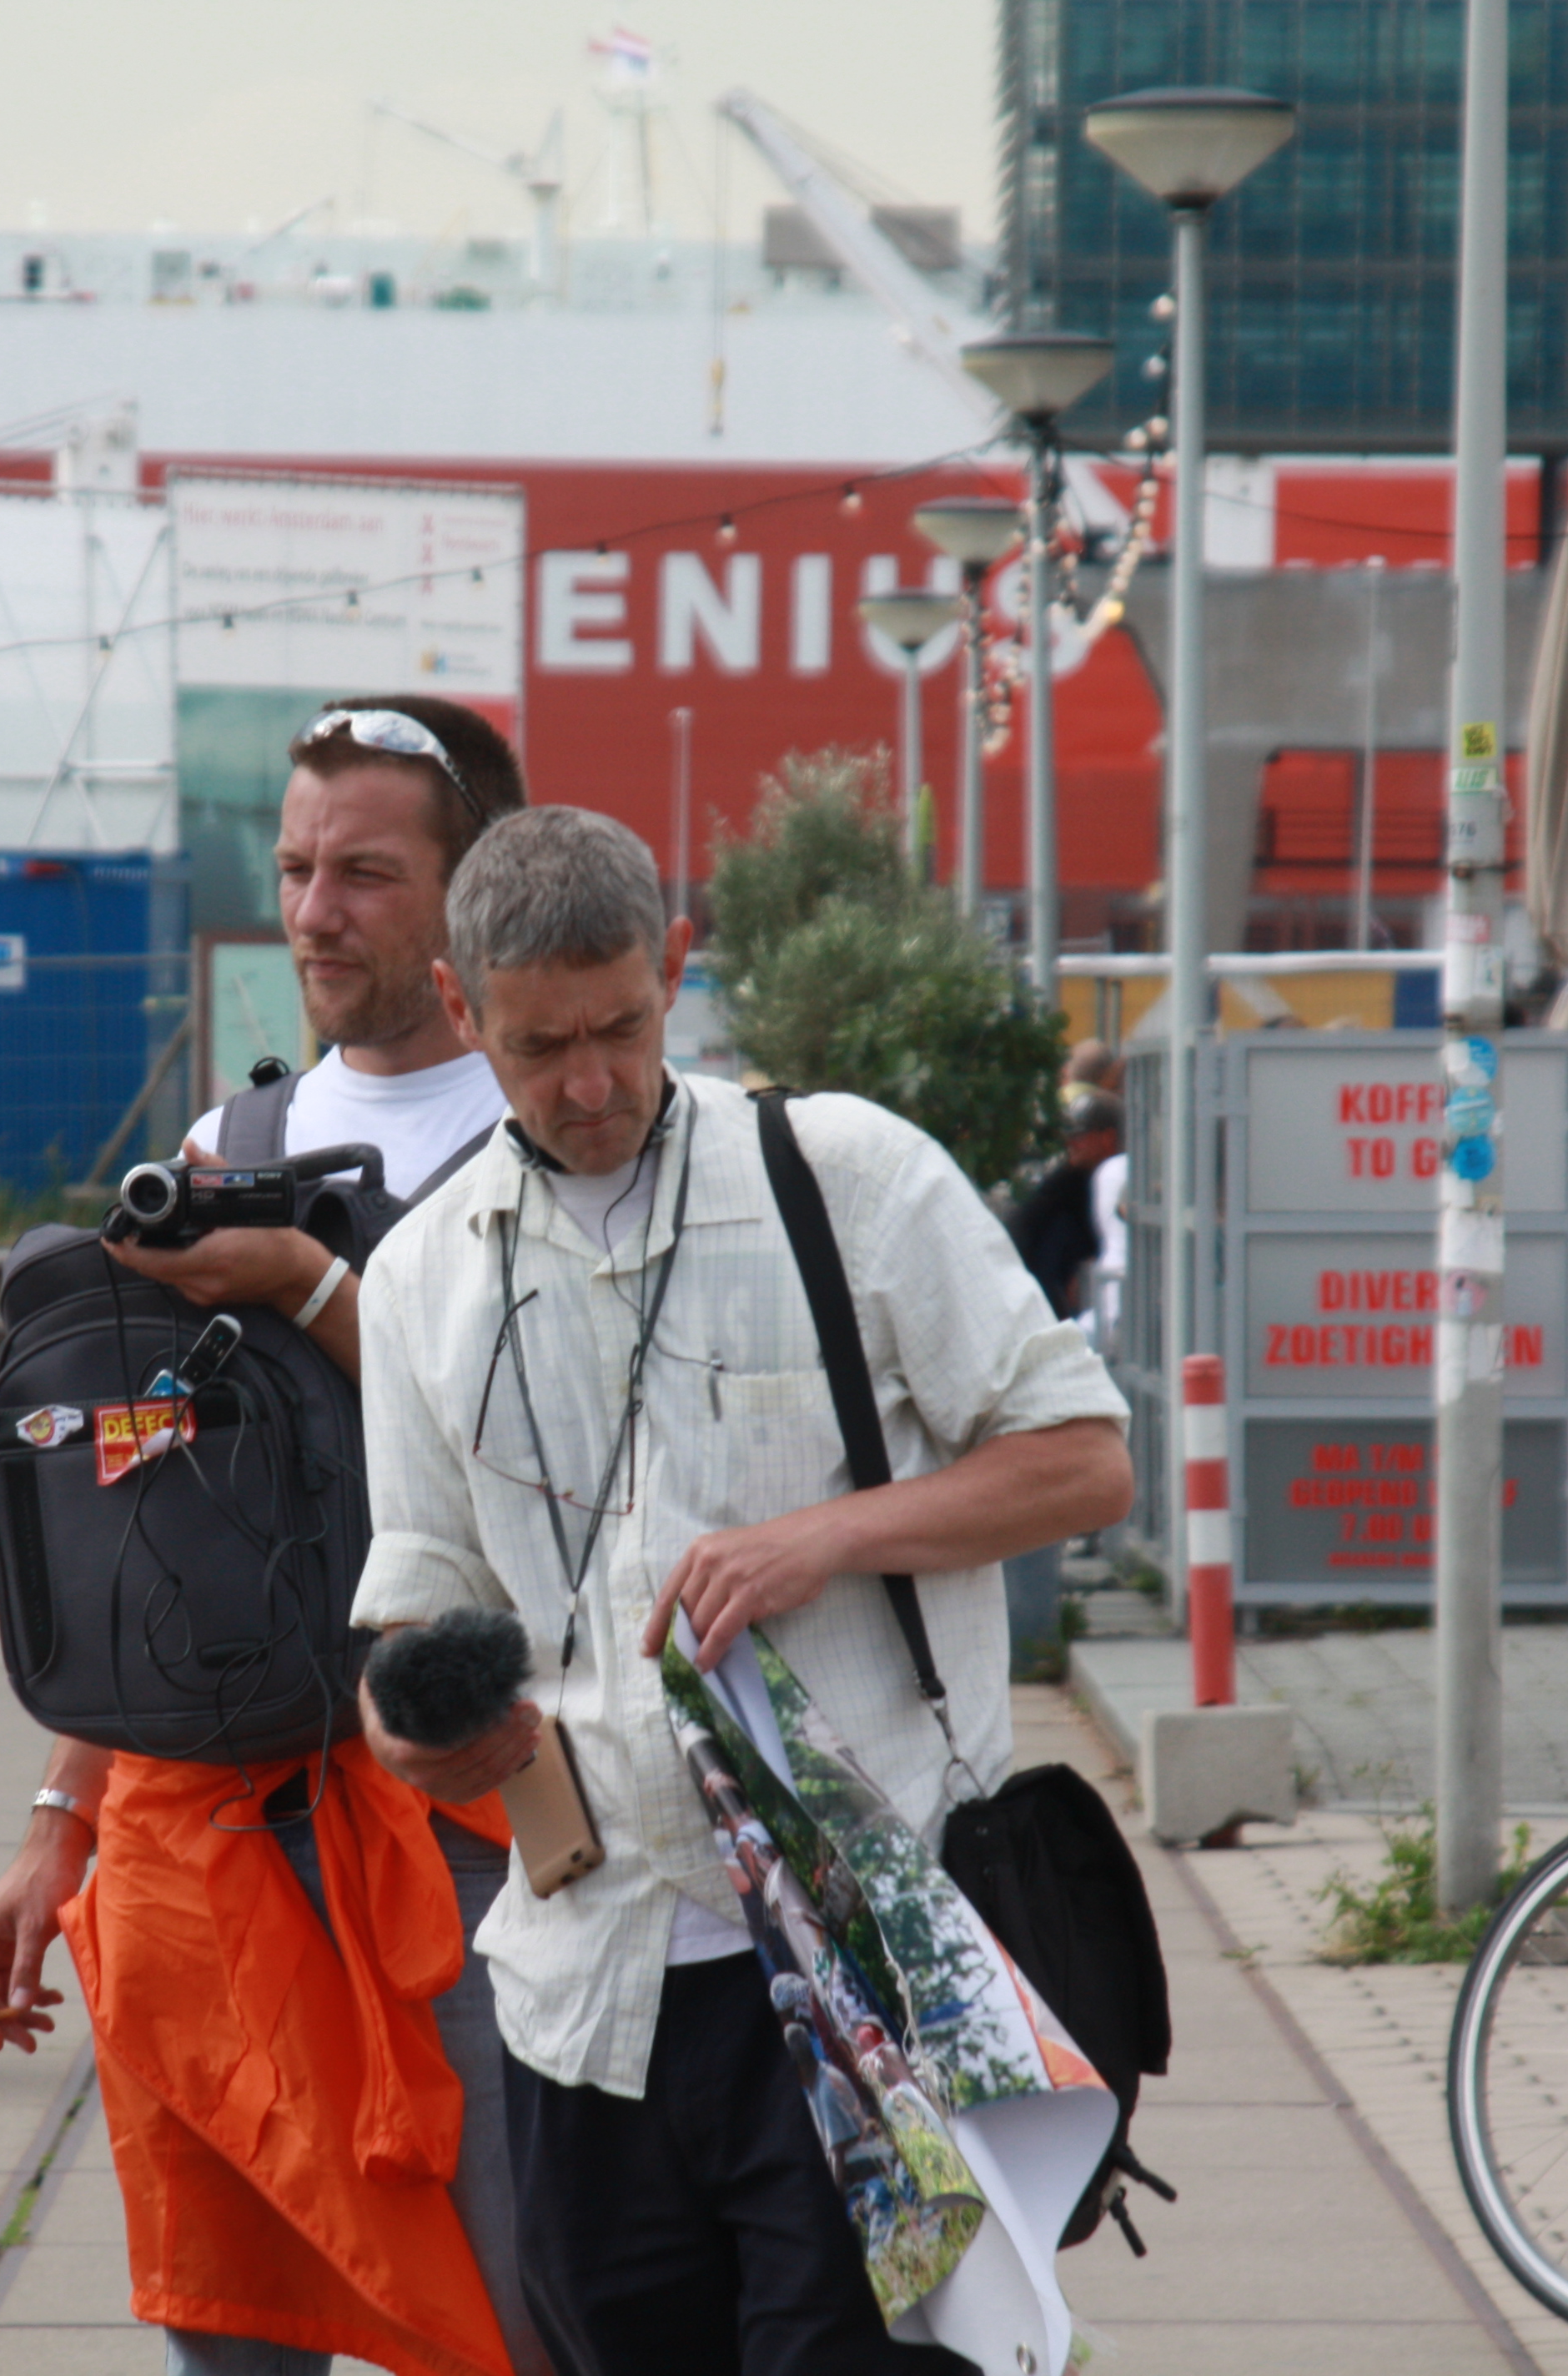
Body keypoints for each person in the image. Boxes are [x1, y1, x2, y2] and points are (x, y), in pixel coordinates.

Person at [348, 806, 1134, 2376]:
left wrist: (825, 1536)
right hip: (586, 2000)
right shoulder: (420, 1274)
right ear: (458, 1008)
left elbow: (1084, 1463)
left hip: (865, 1977)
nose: (589, 1083)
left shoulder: (847, 1175)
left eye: (622, 1028)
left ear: (678, 967)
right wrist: (410, 1730)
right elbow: (415, 1606)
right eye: (539, 1046)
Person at [0, 694, 551, 2376]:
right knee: (229, 2318)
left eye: (363, 872)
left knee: (512, 2300)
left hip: (466, 1815)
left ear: (471, 887)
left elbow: (539, 1461)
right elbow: (151, 1522)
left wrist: (307, 1283)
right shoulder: (234, 1146)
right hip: (216, 1825)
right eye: (294, 869)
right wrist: (58, 1818)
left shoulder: (552, 1125)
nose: (312, 912)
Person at [1007, 1094, 1120, 1328]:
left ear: (1107, 1138)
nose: (1070, 1143)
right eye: (1068, 1136)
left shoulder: (1125, 1180)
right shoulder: (1063, 1187)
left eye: (1079, 1136)